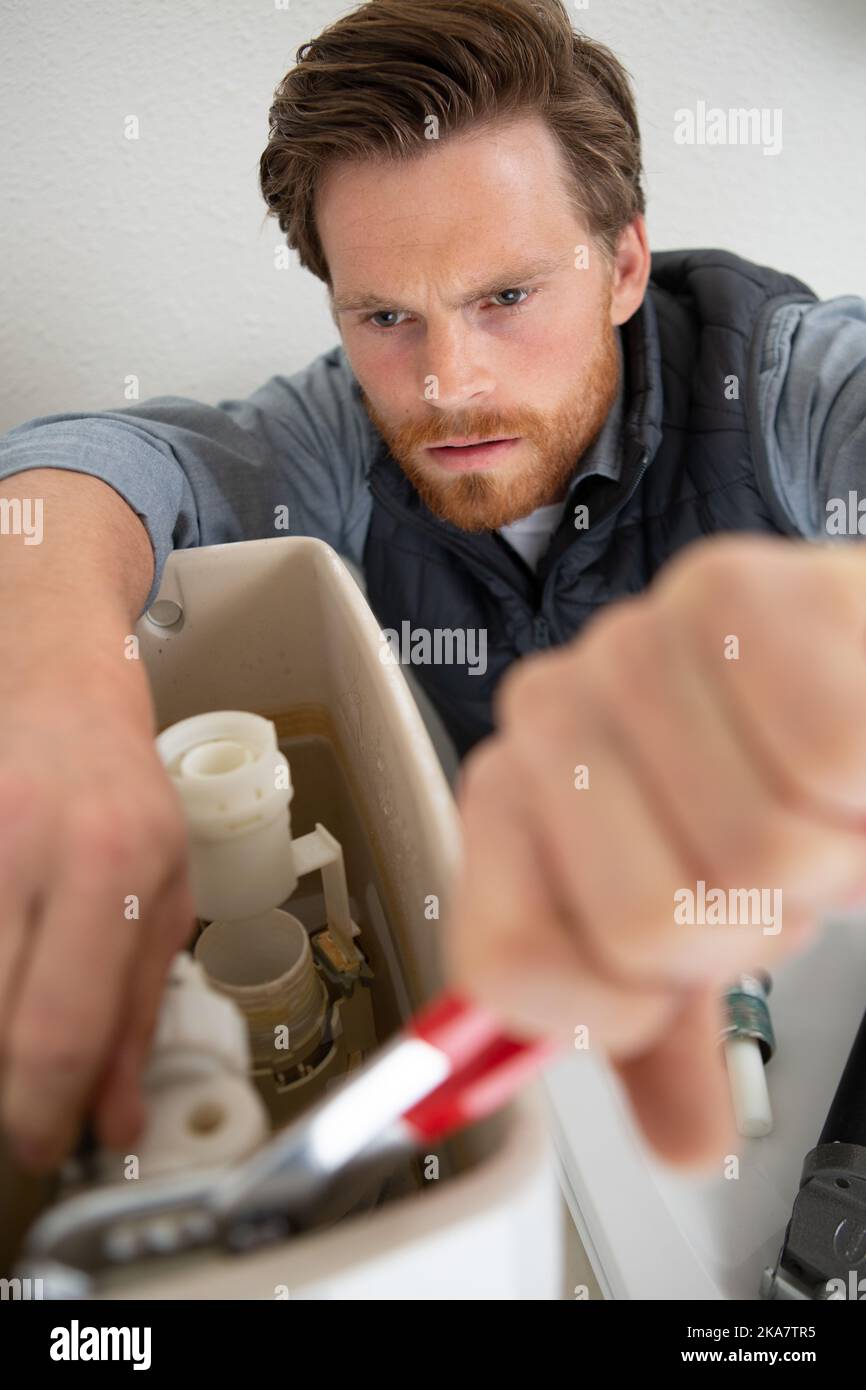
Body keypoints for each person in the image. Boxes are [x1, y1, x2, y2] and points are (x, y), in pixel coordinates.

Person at [1, 0, 865, 1176]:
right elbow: (89, 471)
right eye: (385, 316)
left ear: (618, 265)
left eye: (505, 296)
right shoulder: (328, 438)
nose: (446, 384)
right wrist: (57, 696)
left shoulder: (780, 385)